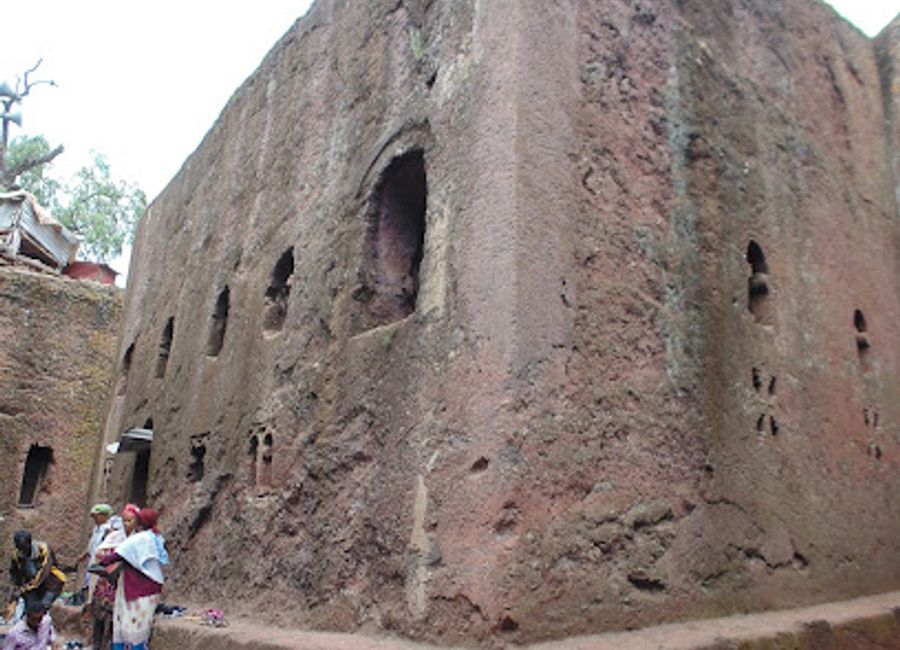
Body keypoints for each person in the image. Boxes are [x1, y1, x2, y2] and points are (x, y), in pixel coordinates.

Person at [101, 508, 168, 650]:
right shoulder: (156, 537)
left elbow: (117, 555)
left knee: (128, 621)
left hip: (137, 585)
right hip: (153, 584)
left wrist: (102, 562)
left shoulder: (138, 538)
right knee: (142, 623)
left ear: (139, 521)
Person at [86, 504, 136, 650]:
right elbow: (98, 552)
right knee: (99, 617)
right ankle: (96, 645)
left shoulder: (137, 539)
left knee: (114, 622)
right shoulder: (115, 536)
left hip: (124, 585)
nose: (127, 524)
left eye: (130, 521)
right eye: (125, 521)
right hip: (106, 584)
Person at [8, 531, 66, 610]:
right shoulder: (17, 555)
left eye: (24, 547)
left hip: (50, 582)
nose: (22, 551)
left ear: (30, 543)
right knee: (31, 609)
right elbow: (15, 573)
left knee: (44, 607)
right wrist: (16, 587)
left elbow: (44, 572)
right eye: (20, 548)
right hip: (31, 586)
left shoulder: (44, 549)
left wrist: (25, 588)